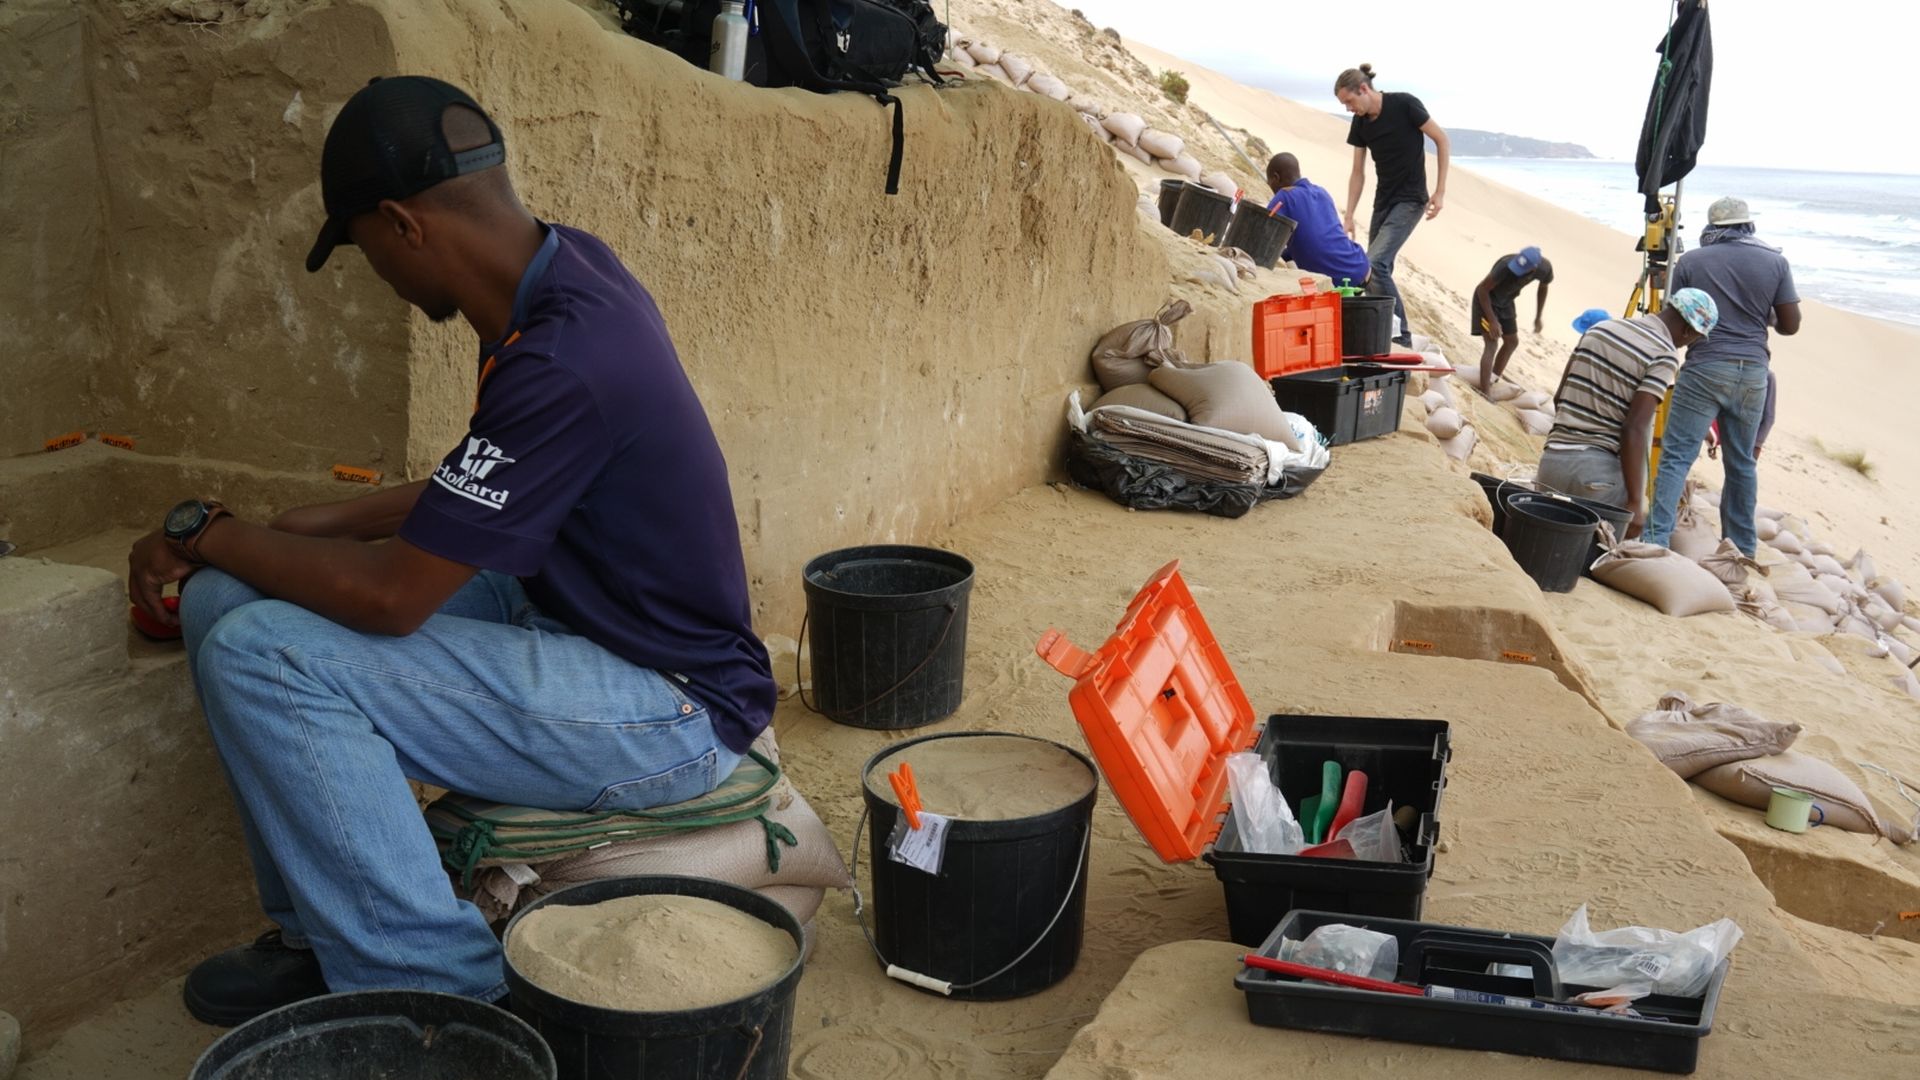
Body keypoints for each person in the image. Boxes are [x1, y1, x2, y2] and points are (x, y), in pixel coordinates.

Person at [124, 76, 776, 1025]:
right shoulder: (550, 277)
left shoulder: (564, 354)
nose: (376, 274)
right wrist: (315, 524)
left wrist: (204, 531)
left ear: (401, 224)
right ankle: (322, 936)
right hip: (567, 617)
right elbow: (492, 483)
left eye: (362, 248)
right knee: (227, 601)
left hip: (671, 706)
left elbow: (394, 600)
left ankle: (444, 1002)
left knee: (267, 652)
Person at [1643, 197, 1801, 556]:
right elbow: (1790, 326)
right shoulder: (1775, 262)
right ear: (1748, 225)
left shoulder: (1693, 261)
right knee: (1741, 462)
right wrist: (1764, 314)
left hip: (1704, 366)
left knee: (1677, 457)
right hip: (1752, 373)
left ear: (1713, 228)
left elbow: (1676, 317)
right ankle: (1741, 549)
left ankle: (1654, 541)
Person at [1535, 289, 1719, 537]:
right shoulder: (1663, 354)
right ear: (1689, 331)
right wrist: (1634, 501)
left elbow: (1560, 397)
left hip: (1551, 465)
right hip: (1596, 480)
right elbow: (1635, 427)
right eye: (1695, 338)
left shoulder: (1600, 328)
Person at [1336, 63, 1449, 347]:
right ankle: (1380, 334)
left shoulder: (1405, 104)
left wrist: (1439, 191)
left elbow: (1441, 139)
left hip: (1411, 199)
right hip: (1383, 202)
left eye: (1349, 101)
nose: (1349, 109)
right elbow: (1358, 172)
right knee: (1374, 271)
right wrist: (1349, 215)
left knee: (1374, 264)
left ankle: (1401, 339)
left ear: (1363, 89)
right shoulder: (1360, 123)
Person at [1264, 152, 1370, 287]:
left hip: (1340, 281)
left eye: (1270, 183)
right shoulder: (1322, 192)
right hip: (1361, 265)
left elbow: (1263, 233)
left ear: (1276, 177)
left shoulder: (1284, 196)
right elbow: (1317, 239)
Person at [1470, 247, 1553, 396]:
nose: (1516, 270)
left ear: (1534, 268)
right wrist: (1492, 320)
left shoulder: (1545, 268)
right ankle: (1484, 391)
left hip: (1506, 301)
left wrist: (1538, 316)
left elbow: (1543, 288)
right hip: (1486, 300)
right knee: (1492, 343)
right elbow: (1483, 289)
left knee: (1512, 342)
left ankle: (1493, 379)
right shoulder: (1504, 266)